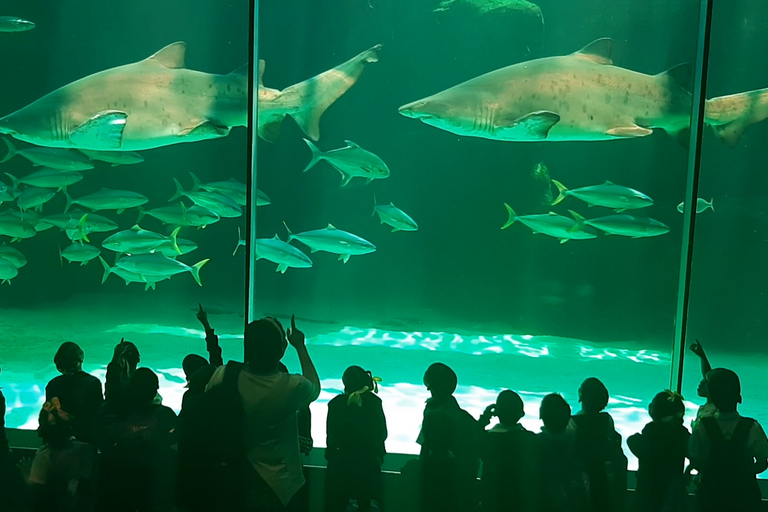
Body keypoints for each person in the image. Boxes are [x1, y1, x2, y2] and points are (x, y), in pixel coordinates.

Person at [205, 315, 321, 512]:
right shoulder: (292, 386)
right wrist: (300, 346)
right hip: (284, 485)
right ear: (281, 351)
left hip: (238, 476)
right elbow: (315, 388)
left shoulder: (223, 376)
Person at [95, 368, 177, 512]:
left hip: (116, 482)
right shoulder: (165, 415)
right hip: (152, 483)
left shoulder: (112, 412)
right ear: (155, 389)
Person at [689, 368, 768, 512]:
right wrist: (742, 473)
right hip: (744, 495)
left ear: (712, 395)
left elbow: (695, 459)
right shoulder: (752, 427)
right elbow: (762, 462)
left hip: (710, 493)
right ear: (738, 396)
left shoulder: (702, 426)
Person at [417, 363, 481, 511]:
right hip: (455, 475)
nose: (428, 388)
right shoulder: (458, 415)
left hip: (447, 475)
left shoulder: (433, 411)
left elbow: (425, 443)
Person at [325, 365, 387, 512]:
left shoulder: (335, 404)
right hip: (368, 462)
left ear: (344, 382)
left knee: (338, 502)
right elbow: (381, 433)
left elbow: (332, 435)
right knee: (367, 501)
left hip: (340, 463)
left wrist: (331, 455)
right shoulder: (374, 402)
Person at [25, 399, 95, 512]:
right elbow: (85, 482)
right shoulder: (86, 449)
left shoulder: (44, 456)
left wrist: (26, 476)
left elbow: (38, 492)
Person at [570, 377, 627, 512]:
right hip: (602, 475)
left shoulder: (573, 421)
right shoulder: (607, 420)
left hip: (581, 474)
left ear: (581, 397)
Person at [627, 390, 689, 512]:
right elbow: (693, 452)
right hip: (671, 490)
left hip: (647, 489)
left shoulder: (650, 431)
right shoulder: (681, 434)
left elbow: (637, 447)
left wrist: (633, 439)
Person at [477, 390, 538, 512]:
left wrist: (484, 419)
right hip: (520, 498)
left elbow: (473, 438)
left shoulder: (487, 439)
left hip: (492, 499)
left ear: (497, 412)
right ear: (521, 413)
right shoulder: (531, 439)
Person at [537, 393, 589, 512]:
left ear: (542, 416)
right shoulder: (577, 443)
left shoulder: (535, 442)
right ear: (567, 418)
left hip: (544, 500)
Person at [44, 342, 103, 443]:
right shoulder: (92, 383)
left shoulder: (53, 384)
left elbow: (48, 415)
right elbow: (96, 416)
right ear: (80, 360)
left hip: (57, 441)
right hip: (85, 440)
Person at [690, 340, 716, 429]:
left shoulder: (712, 413)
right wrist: (702, 357)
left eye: (705, 382)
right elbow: (709, 376)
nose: (701, 382)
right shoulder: (713, 405)